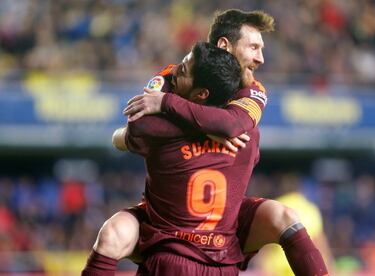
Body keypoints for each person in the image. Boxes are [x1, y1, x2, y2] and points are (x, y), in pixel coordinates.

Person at [84, 9, 328, 276]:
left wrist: (167, 104)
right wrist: (206, 127)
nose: (260, 58)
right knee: (113, 232)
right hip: (169, 222)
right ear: (225, 45)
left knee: (286, 218)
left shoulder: (254, 89)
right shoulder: (174, 73)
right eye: (254, 47)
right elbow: (140, 124)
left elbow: (231, 126)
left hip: (225, 220)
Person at [82, 41, 245, 275]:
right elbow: (233, 124)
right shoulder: (245, 135)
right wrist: (206, 125)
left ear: (201, 94)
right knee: (283, 219)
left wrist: (166, 104)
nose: (176, 69)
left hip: (168, 246)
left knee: (113, 234)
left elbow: (139, 126)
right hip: (224, 255)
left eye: (185, 70)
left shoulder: (163, 130)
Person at [254, 173, 335, 275]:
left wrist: (260, 266)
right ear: (300, 189)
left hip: (276, 269)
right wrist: (330, 267)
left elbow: (265, 244)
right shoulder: (311, 209)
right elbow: (319, 242)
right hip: (302, 267)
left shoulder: (276, 206)